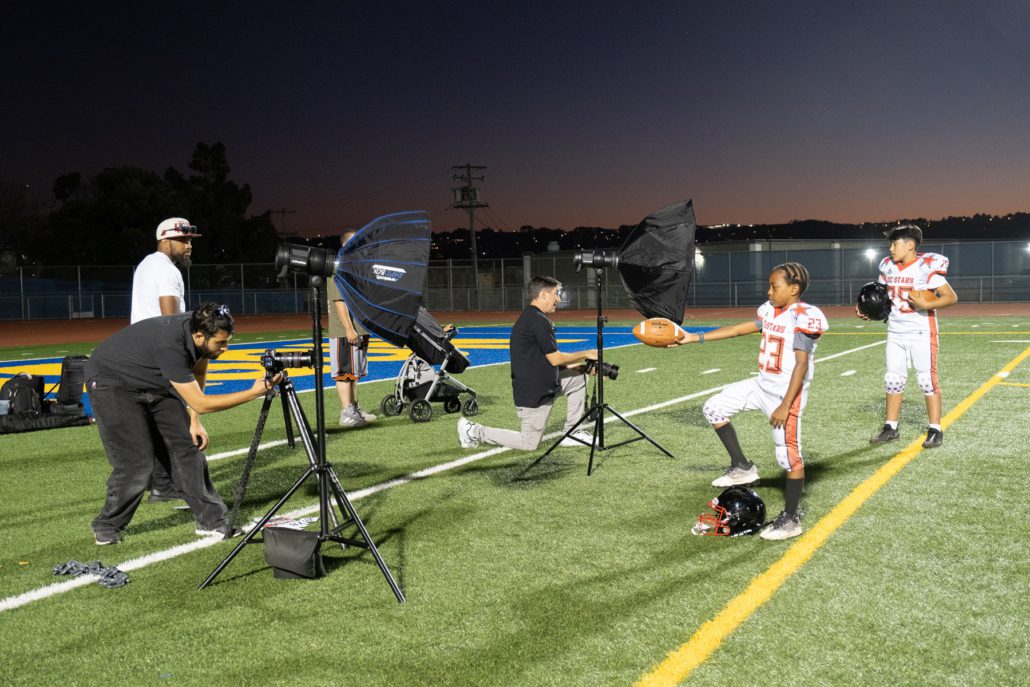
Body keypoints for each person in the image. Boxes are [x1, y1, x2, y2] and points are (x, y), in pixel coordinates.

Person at [87, 303, 281, 545]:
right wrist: (253, 393)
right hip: (111, 382)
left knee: (188, 449)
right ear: (199, 336)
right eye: (220, 343)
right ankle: (107, 524)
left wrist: (193, 420)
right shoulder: (171, 346)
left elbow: (199, 372)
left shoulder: (200, 326)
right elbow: (202, 402)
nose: (225, 348)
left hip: (153, 380)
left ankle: (212, 521)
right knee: (136, 463)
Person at [671, 263, 828, 541]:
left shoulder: (804, 316)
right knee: (713, 408)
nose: (768, 291)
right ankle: (742, 467)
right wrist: (695, 337)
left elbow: (801, 365)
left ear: (793, 289)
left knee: (788, 457)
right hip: (761, 385)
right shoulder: (770, 310)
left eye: (774, 286)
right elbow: (739, 329)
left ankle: (791, 519)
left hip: (784, 395)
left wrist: (785, 405)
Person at [457, 276, 596, 451]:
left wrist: (581, 367)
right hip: (534, 391)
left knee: (578, 378)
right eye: (556, 294)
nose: (559, 299)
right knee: (529, 443)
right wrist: (586, 354)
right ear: (544, 294)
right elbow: (555, 358)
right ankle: (473, 431)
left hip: (544, 381)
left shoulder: (535, 317)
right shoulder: (537, 320)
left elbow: (544, 361)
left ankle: (572, 432)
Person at [858, 224, 957, 448]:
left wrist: (926, 303)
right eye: (891, 244)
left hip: (921, 329)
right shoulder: (887, 266)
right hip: (895, 330)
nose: (891, 248)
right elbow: (881, 297)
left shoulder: (925, 267)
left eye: (895, 244)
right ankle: (890, 427)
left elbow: (951, 297)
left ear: (910, 245)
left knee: (926, 380)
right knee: (893, 379)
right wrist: (867, 310)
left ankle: (935, 429)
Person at [129, 217, 201, 503]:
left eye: (189, 241)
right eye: (183, 240)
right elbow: (169, 320)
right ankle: (182, 487)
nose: (188, 246)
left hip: (140, 353)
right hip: (159, 354)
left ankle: (162, 484)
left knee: (155, 421)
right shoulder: (168, 272)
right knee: (176, 423)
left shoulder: (146, 264)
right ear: (164, 240)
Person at [328, 230, 376, 427]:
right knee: (344, 373)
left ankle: (354, 408)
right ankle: (346, 413)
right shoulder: (339, 268)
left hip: (359, 328)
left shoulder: (356, 268)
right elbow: (339, 302)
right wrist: (349, 328)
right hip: (345, 330)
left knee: (354, 374)